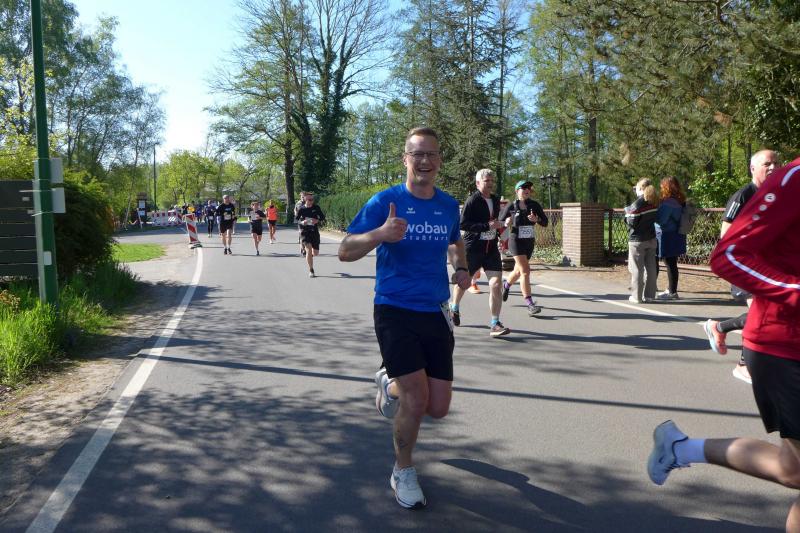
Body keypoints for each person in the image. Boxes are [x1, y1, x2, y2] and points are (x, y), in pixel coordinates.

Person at [648, 156, 800, 532]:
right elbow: (728, 255)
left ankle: (680, 448)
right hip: (784, 346)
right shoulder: (793, 180)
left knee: (794, 470)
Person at [338, 126, 471, 510]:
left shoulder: (448, 205)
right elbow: (345, 250)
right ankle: (403, 470)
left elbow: (455, 241)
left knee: (438, 407)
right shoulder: (385, 201)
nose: (424, 161)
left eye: (431, 154)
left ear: (439, 160)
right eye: (417, 154)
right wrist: (379, 233)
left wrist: (461, 266)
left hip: (436, 311)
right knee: (416, 397)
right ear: (406, 159)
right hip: (394, 309)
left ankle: (388, 382)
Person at [704, 149, 779, 384]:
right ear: (753, 168)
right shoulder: (744, 195)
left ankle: (719, 327)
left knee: (767, 314)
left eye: (776, 163)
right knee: (759, 313)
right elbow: (725, 233)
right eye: (767, 164)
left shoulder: (777, 194)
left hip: (766, 266)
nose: (773, 167)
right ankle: (743, 364)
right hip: (744, 265)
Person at [449, 168, 510, 337]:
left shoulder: (495, 199)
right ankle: (454, 306)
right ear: (478, 183)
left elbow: (495, 223)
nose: (490, 184)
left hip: (491, 249)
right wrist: (486, 226)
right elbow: (463, 224)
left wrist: (501, 235)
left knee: (496, 284)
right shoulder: (472, 200)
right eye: (486, 181)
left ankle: (495, 323)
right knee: (464, 282)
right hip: (473, 248)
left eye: (491, 181)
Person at [499, 179, 548, 316]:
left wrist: (537, 220)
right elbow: (500, 222)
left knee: (518, 271)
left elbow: (545, 222)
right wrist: (506, 222)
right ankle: (530, 304)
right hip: (515, 241)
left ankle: (506, 285)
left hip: (529, 242)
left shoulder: (534, 205)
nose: (527, 190)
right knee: (525, 270)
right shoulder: (511, 205)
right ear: (517, 191)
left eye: (529, 188)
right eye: (524, 187)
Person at [625, 178, 659, 303]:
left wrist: (626, 213)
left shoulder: (637, 204)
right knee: (651, 268)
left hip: (637, 240)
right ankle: (650, 296)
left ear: (640, 189)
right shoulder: (655, 201)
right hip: (651, 238)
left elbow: (631, 222)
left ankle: (636, 296)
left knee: (637, 269)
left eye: (636, 188)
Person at [655, 177, 687, 300]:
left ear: (666, 187)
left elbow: (661, 221)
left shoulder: (668, 203)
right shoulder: (680, 201)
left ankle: (672, 292)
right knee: (672, 263)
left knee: (669, 263)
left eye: (662, 186)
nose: (661, 188)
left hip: (667, 235)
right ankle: (672, 290)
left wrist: (653, 217)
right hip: (677, 234)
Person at [295, 192, 325, 277]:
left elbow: (322, 217)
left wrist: (317, 220)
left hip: (314, 232)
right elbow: (296, 219)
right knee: (308, 249)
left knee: (315, 253)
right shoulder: (301, 209)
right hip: (305, 232)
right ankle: (311, 270)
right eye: (309, 199)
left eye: (312, 199)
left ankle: (309, 256)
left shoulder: (316, 207)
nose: (311, 201)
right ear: (305, 199)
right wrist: (302, 222)